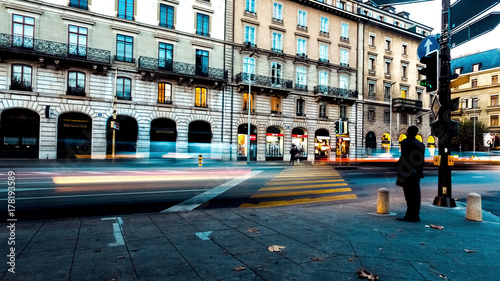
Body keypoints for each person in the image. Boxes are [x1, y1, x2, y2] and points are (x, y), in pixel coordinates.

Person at [396, 126, 425, 222]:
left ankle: (409, 216)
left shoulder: (405, 142)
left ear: (408, 132)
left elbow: (404, 158)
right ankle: (416, 215)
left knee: (409, 196)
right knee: (416, 195)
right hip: (417, 173)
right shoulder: (421, 144)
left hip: (407, 173)